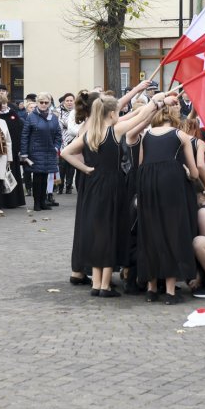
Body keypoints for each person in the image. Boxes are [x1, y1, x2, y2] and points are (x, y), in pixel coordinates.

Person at [63, 95, 165, 297]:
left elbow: (65, 153)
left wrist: (86, 169)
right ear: (111, 113)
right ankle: (105, 285)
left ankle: (97, 284)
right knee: (111, 231)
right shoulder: (114, 130)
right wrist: (156, 102)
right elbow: (140, 117)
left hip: (93, 185)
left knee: (99, 231)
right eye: (118, 112)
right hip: (112, 185)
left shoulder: (89, 133)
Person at [137, 103, 199, 304]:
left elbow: (140, 164)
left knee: (150, 232)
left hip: (147, 182)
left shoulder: (146, 135)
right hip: (171, 182)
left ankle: (151, 288)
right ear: (174, 118)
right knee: (173, 231)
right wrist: (190, 174)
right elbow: (195, 170)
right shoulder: (181, 136)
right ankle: (171, 291)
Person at [20, 91, 63, 211]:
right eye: (41, 102)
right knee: (38, 177)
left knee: (45, 177)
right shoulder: (31, 116)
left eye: (46, 102)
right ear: (37, 103)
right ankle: (36, 203)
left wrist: (56, 147)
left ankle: (43, 202)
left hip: (49, 151)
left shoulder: (53, 117)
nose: (44, 104)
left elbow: (58, 135)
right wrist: (24, 152)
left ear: (49, 103)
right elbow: (25, 135)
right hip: (35, 151)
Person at [0, 92, 26, 209]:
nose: (3, 106)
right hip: (0, 150)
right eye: (0, 104)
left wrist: (19, 149)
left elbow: (19, 131)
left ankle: (13, 200)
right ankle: (0, 200)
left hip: (13, 150)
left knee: (12, 174)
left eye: (4, 103)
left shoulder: (13, 114)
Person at [56, 93, 76, 194]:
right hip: (61, 141)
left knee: (71, 166)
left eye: (71, 100)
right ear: (64, 102)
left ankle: (69, 186)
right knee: (61, 165)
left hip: (73, 141)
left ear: (74, 101)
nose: (69, 102)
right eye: (67, 101)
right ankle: (60, 185)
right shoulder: (57, 112)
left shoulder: (77, 112)